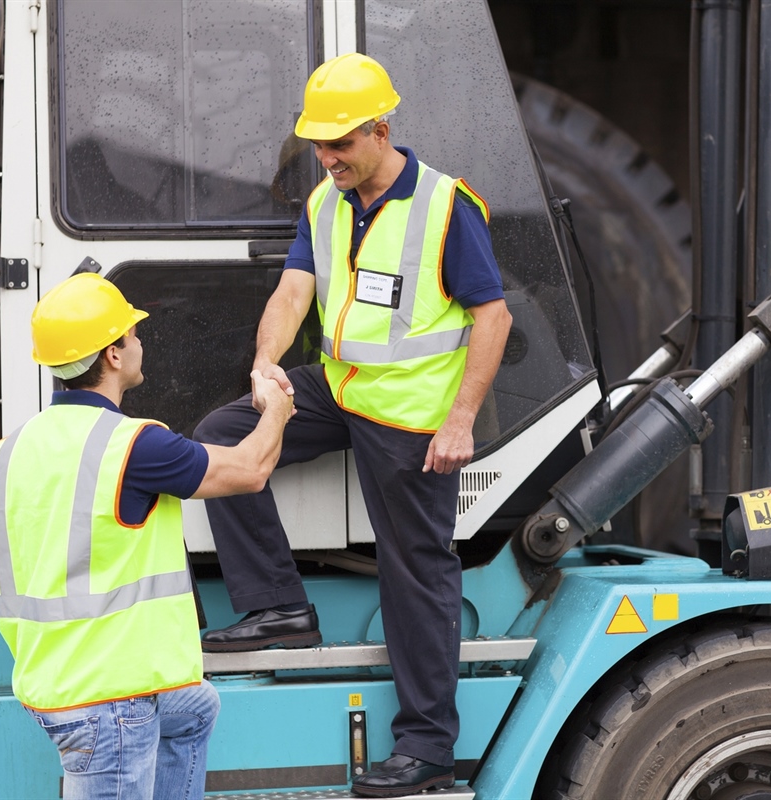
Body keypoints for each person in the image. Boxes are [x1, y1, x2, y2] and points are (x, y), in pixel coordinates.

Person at [193, 53, 512, 798]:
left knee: (416, 573)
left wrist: (459, 419)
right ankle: (277, 607)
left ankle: (427, 746)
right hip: (338, 388)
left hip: (410, 413)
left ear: (380, 130)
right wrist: (266, 366)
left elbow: (492, 316)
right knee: (221, 434)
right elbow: (293, 288)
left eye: (339, 143)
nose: (327, 158)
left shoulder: (444, 206)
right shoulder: (324, 202)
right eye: (318, 145)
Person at [0, 272, 294, 800]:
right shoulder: (136, 446)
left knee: (194, 709)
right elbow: (251, 469)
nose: (141, 341)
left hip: (54, 688)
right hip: (109, 707)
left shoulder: (9, 451)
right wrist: (278, 408)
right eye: (133, 333)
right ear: (114, 355)